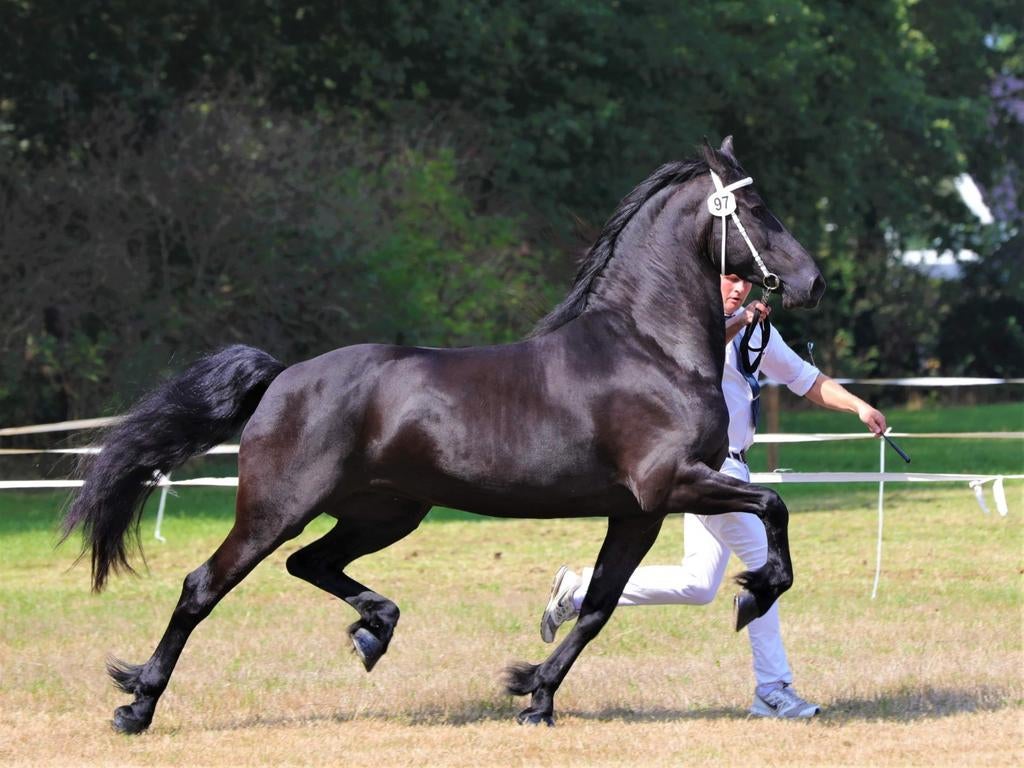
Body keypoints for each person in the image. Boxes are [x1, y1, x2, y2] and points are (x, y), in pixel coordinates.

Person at [540, 273, 887, 719]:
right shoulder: (688, 324)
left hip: (735, 464)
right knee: (766, 563)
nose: (739, 288)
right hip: (704, 466)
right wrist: (742, 319)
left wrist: (858, 406)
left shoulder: (755, 330)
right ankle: (773, 688)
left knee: (698, 584)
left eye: (745, 282)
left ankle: (578, 589)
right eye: (730, 278)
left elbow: (804, 377)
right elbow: (708, 340)